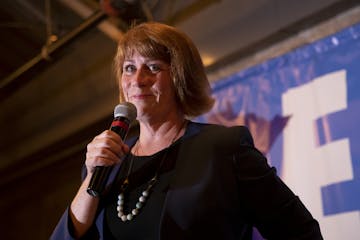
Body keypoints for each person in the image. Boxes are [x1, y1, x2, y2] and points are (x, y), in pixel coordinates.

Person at [51, 22, 323, 240]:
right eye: (129, 68)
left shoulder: (224, 147)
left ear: (180, 77)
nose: (137, 79)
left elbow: (300, 232)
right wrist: (91, 177)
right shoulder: (108, 160)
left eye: (153, 67)